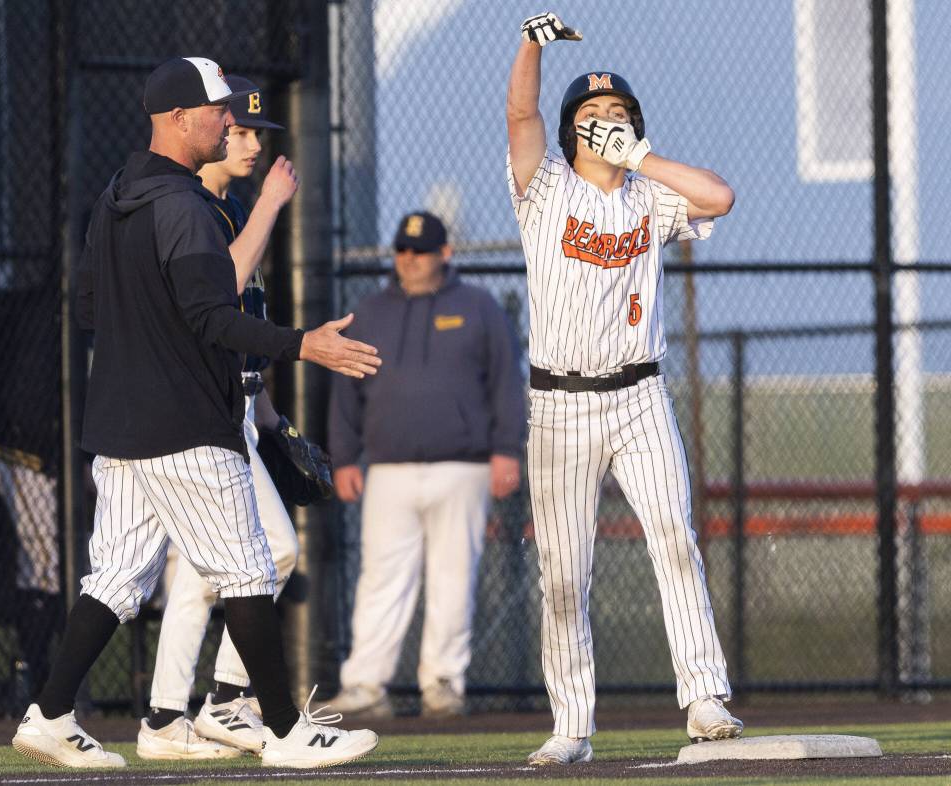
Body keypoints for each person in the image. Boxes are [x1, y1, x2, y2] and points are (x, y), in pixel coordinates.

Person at [11, 56, 381, 770]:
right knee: (246, 569)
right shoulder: (182, 205)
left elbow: (90, 307)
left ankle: (50, 714)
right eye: (218, 110)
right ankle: (281, 731)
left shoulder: (117, 194)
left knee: (116, 576)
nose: (227, 120)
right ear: (181, 119)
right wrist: (306, 345)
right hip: (183, 424)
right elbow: (215, 317)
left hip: (119, 428)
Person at [507, 13, 744, 765]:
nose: (606, 122)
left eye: (619, 114)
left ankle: (704, 697)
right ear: (571, 131)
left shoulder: (648, 195)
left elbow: (720, 197)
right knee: (565, 573)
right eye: (593, 114)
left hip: (640, 394)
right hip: (560, 403)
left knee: (674, 537)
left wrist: (641, 152)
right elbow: (521, 115)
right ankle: (571, 727)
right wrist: (531, 47)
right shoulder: (544, 190)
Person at [136, 75, 304, 760]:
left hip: (226, 410)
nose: (253, 143)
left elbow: (241, 320)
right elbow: (222, 290)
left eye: (259, 133)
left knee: (202, 573)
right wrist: (268, 207)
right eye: (239, 129)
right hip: (188, 415)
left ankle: (168, 716)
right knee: (267, 553)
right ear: (205, 131)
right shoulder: (198, 208)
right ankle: (223, 702)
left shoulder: (225, 207)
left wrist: (266, 410)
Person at [326, 211, 526, 718]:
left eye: (420, 250)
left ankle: (442, 683)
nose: (409, 260)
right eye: (402, 250)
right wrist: (345, 457)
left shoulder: (478, 308)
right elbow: (346, 389)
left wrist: (508, 449)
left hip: (464, 466)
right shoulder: (369, 312)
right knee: (381, 578)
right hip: (388, 468)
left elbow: (506, 382)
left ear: (445, 253)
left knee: (453, 577)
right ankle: (366, 686)